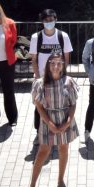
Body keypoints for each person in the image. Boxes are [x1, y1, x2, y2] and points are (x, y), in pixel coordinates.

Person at [27, 53, 79, 187]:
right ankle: (32, 185)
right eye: (53, 63)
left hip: (64, 120)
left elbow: (73, 104)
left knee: (63, 149)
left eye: (59, 63)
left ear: (63, 65)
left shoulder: (69, 82)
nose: (56, 66)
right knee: (43, 151)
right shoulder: (40, 83)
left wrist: (68, 122)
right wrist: (49, 123)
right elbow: (39, 106)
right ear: (48, 65)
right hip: (47, 120)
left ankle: (60, 181)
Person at [29, 8, 73, 138]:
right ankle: (38, 133)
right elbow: (34, 59)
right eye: (46, 20)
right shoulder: (36, 37)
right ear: (42, 21)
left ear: (56, 19)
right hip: (42, 78)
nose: (49, 22)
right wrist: (38, 77)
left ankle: (59, 128)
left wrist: (62, 75)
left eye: (51, 19)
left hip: (58, 77)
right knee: (39, 105)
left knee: (58, 103)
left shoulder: (63, 36)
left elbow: (66, 58)